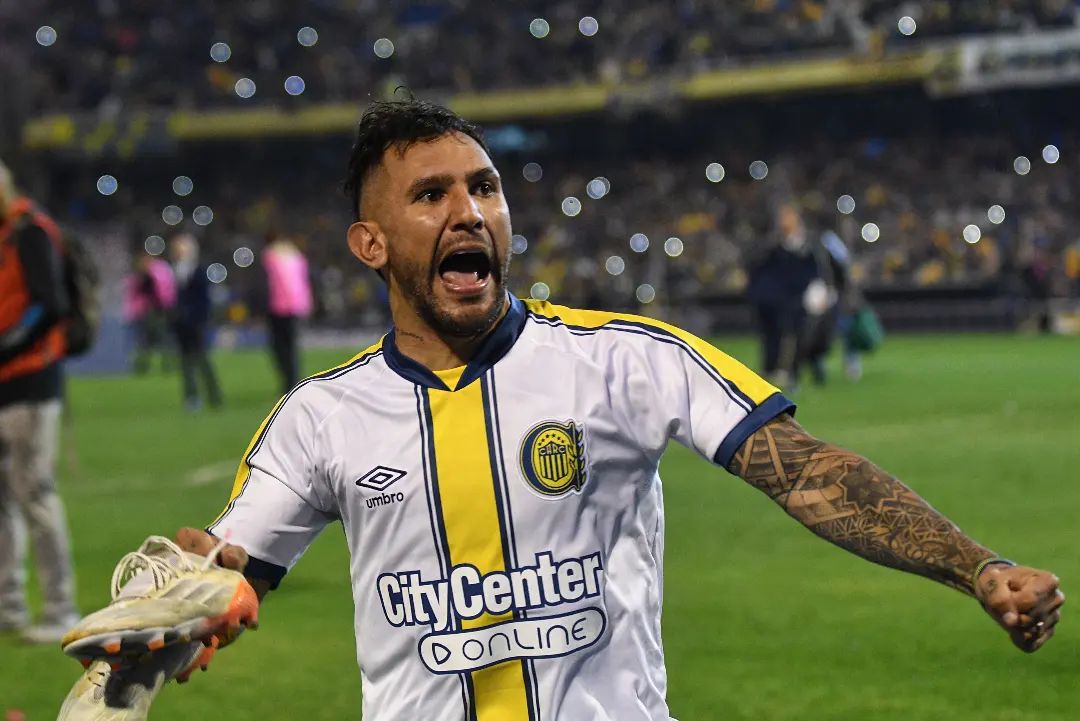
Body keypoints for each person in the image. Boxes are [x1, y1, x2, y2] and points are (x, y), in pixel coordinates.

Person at [63, 102, 1063, 720]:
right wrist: (195, 595)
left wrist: (976, 566)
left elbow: (805, 469)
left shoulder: (629, 359)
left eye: (485, 188)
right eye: (431, 195)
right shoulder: (319, 418)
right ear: (370, 243)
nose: (470, 211)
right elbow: (227, 566)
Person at [0, 160, 79, 643]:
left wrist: (6, 346)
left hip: (31, 382)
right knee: (4, 500)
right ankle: (8, 607)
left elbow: (51, 305)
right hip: (8, 384)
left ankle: (60, 608)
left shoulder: (29, 232)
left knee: (35, 494)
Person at [745, 201, 820, 388]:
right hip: (773, 301)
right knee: (773, 337)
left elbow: (813, 271)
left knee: (801, 336)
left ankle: (795, 371)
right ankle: (772, 371)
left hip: (797, 299)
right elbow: (757, 269)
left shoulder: (806, 244)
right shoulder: (771, 245)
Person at [169, 233, 222, 411]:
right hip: (181, 324)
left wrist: (198, 318)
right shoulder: (175, 270)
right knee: (186, 363)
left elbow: (204, 300)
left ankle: (213, 394)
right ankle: (191, 396)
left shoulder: (198, 271)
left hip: (196, 323)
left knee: (202, 360)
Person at [260, 234, 313, 395]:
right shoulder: (298, 258)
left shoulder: (270, 257)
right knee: (292, 348)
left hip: (278, 307)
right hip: (297, 307)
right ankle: (294, 381)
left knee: (280, 348)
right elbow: (304, 283)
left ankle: (289, 383)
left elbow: (269, 284)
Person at [125, 255, 176, 375]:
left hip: (156, 312)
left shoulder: (152, 276)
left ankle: (164, 366)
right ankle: (143, 367)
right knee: (146, 342)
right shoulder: (140, 277)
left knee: (159, 340)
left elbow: (163, 293)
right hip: (146, 313)